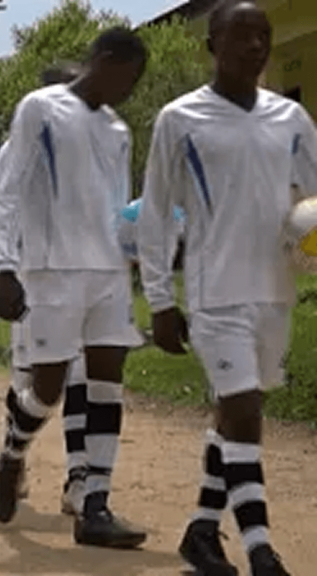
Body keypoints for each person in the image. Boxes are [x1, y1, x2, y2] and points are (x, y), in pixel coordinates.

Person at [138, 3, 316, 574]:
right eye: (243, 35)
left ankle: (200, 532)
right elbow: (155, 215)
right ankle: (261, 549)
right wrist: (160, 299)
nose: (256, 46)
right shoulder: (180, 119)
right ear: (212, 45)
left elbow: (314, 200)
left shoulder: (291, 118)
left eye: (264, 35)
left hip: (275, 290)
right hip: (215, 293)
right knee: (243, 410)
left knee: (237, 415)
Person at [0, 28, 148, 549]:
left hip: (109, 273)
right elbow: (4, 191)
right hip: (53, 269)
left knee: (106, 382)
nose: (129, 90)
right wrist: (1, 267)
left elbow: (120, 206)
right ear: (104, 60)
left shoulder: (118, 129)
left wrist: (141, 246)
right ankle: (13, 452)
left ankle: (94, 504)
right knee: (49, 387)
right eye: (128, 77)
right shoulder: (41, 109)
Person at [0, 62, 87, 514]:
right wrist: (2, 268)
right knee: (33, 379)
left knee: (83, 376)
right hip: (34, 277)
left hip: (86, 277)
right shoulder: (18, 148)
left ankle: (79, 479)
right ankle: (15, 451)